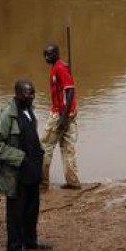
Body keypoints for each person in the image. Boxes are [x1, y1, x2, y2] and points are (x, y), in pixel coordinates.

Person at [0, 80, 52, 251]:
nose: (32, 97)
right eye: (28, 94)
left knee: (32, 208)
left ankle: (30, 242)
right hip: (16, 172)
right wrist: (18, 157)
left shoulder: (29, 110)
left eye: (33, 93)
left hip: (32, 169)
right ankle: (14, 247)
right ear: (17, 94)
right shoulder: (8, 114)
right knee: (16, 211)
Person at [41, 44, 80, 190]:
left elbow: (70, 92)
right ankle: (73, 182)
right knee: (67, 147)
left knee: (44, 146)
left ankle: (42, 184)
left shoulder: (59, 68)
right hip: (68, 112)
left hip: (60, 113)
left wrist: (62, 117)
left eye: (50, 54)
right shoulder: (59, 67)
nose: (47, 57)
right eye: (45, 54)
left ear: (57, 54)